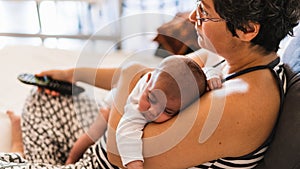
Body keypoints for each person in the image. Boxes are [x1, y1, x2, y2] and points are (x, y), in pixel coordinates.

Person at [0, 0, 299, 168]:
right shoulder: (228, 58)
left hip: (110, 160)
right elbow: (154, 76)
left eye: (205, 12)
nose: (193, 16)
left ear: (247, 29)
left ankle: (21, 151)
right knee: (45, 98)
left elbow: (120, 154)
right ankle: (31, 154)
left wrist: (131, 77)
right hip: (108, 134)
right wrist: (71, 73)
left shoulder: (242, 104)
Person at [65, 55, 222, 167]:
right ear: (147, 80)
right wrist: (135, 164)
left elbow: (204, 70)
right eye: (152, 99)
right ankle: (70, 159)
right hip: (113, 101)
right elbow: (125, 132)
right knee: (93, 133)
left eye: (167, 110)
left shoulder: (179, 92)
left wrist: (212, 77)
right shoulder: (138, 107)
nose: (152, 111)